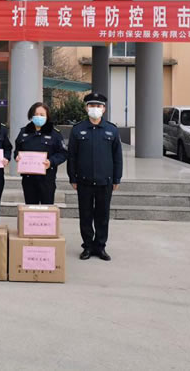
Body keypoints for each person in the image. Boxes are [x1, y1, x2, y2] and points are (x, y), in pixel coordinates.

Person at [67, 92, 123, 261]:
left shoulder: (111, 130)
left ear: (104, 109)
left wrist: (117, 178)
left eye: (98, 106)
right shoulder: (78, 129)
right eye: (92, 105)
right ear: (86, 108)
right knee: (85, 216)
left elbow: (117, 157)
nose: (95, 109)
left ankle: (100, 246)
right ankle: (87, 246)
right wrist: (72, 178)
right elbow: (72, 156)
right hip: (83, 181)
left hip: (105, 182)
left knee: (102, 216)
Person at [14, 102, 67, 205]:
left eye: (42, 115)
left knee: (46, 209)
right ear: (31, 115)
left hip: (47, 179)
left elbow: (63, 153)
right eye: (36, 114)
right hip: (28, 179)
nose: (39, 117)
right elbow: (17, 150)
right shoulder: (24, 132)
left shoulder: (54, 134)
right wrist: (17, 156)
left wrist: (51, 162)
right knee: (30, 208)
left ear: (47, 116)